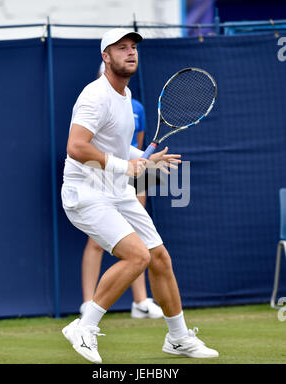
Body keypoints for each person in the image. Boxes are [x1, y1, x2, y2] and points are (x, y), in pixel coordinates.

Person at [61, 28, 219, 363]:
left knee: (159, 258)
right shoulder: (95, 96)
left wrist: (143, 160)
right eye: (121, 48)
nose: (130, 52)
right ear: (106, 57)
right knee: (137, 257)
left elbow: (117, 148)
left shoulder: (125, 98)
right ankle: (84, 327)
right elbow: (76, 147)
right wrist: (124, 167)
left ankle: (177, 339)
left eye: (133, 47)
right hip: (85, 193)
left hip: (115, 191)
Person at [80, 86, 163, 319]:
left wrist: (138, 167)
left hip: (133, 174)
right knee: (96, 241)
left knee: (138, 238)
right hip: (103, 175)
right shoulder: (95, 102)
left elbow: (135, 144)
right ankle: (88, 303)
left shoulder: (135, 107)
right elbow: (87, 145)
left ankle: (140, 302)